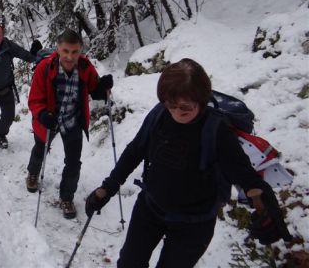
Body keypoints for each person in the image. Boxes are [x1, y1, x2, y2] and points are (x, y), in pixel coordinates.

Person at [84, 58, 291, 268]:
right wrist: (107, 188)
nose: (176, 113)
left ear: (201, 101)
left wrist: (268, 209)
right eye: (171, 105)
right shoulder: (159, 115)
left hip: (194, 226)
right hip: (150, 209)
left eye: (184, 108)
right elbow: (134, 151)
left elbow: (244, 174)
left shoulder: (216, 131)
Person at [26, 29, 113, 219]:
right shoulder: (45, 68)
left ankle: (67, 197)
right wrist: (41, 115)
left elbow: (94, 89)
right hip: (49, 119)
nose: (69, 56)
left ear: (80, 50)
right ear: (58, 49)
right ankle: (33, 172)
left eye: (74, 52)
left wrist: (103, 87)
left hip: (73, 120)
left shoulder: (84, 66)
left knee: (73, 162)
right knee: (40, 148)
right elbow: (34, 99)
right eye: (65, 51)